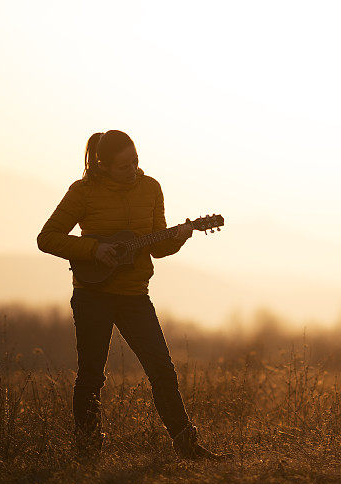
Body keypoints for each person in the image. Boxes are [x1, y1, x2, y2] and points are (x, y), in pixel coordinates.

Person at [37, 130, 224, 460]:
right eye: (124, 166)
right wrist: (95, 249)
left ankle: (188, 447)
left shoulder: (150, 188)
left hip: (134, 295)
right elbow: (47, 238)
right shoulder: (83, 192)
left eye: (135, 162)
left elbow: (158, 246)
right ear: (103, 165)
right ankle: (88, 451)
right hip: (92, 295)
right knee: (91, 376)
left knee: (162, 370)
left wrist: (180, 235)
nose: (132, 170)